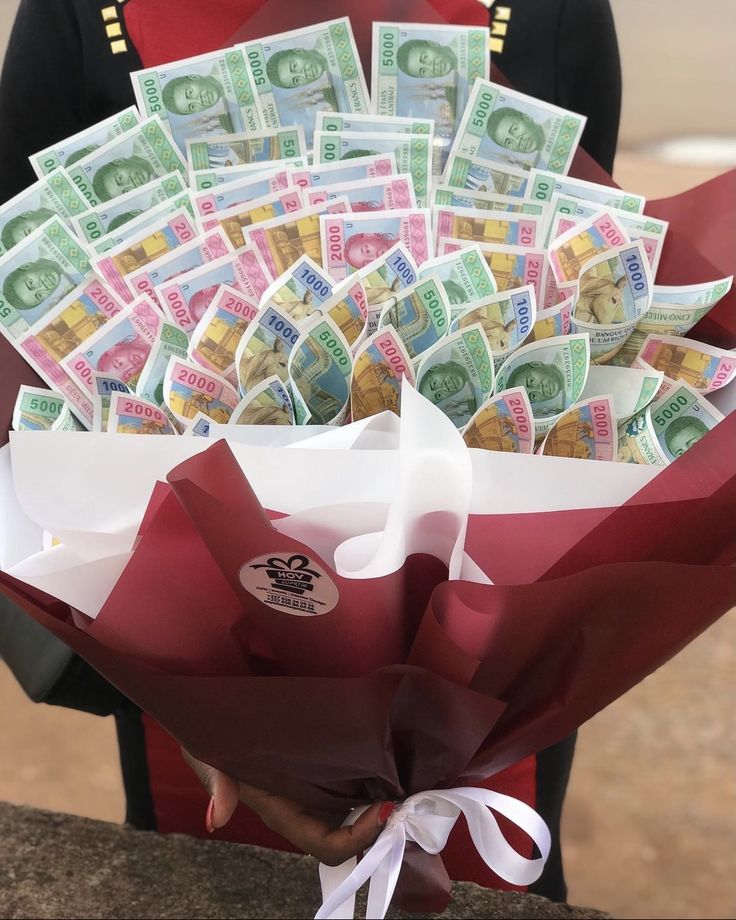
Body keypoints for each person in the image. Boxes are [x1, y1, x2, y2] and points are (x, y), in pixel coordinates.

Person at [0, 0, 623, 905]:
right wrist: (205, 713)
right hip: (195, 715)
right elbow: (28, 337)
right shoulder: (79, 16)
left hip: (486, 702)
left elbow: (594, 319)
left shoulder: (548, 13)